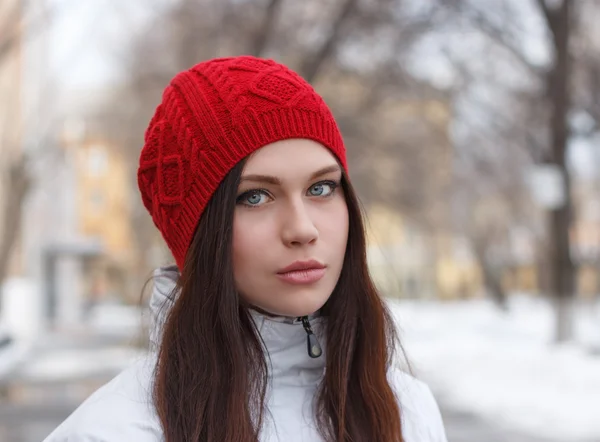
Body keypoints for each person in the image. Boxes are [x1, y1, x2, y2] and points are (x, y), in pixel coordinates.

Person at [44, 55, 448, 442]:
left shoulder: (407, 412)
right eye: (255, 197)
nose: (302, 229)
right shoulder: (110, 432)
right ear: (199, 235)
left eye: (321, 188)